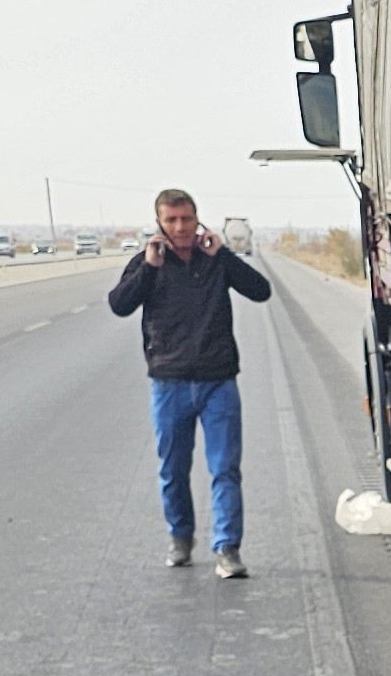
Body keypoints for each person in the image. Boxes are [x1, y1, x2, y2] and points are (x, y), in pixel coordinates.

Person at [108, 190, 272, 577]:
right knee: (173, 469)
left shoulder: (216, 261)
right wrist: (148, 268)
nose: (180, 227)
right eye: (172, 221)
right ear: (159, 225)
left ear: (198, 220)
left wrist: (224, 256)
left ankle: (228, 548)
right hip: (169, 383)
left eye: (186, 219)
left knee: (225, 469)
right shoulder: (148, 263)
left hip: (218, 382)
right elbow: (119, 305)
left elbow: (260, 291)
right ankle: (180, 538)